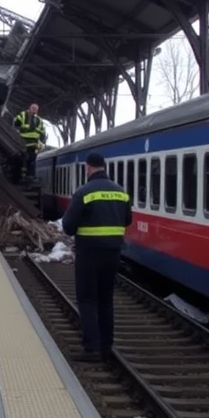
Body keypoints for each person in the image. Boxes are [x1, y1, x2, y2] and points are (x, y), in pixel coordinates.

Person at [61, 152, 132, 362]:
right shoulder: (121, 192)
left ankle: (91, 348)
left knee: (87, 299)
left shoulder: (84, 192)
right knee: (106, 300)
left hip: (89, 252)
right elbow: (127, 220)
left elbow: (68, 226)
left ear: (87, 168)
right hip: (113, 252)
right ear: (104, 166)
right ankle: (107, 345)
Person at [12, 103, 47, 185]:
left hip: (33, 145)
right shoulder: (23, 115)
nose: (34, 111)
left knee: (31, 161)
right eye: (33, 109)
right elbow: (15, 124)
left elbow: (42, 134)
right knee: (20, 160)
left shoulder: (39, 120)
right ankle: (17, 177)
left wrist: (42, 144)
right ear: (30, 108)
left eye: (36, 110)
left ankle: (30, 177)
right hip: (22, 144)